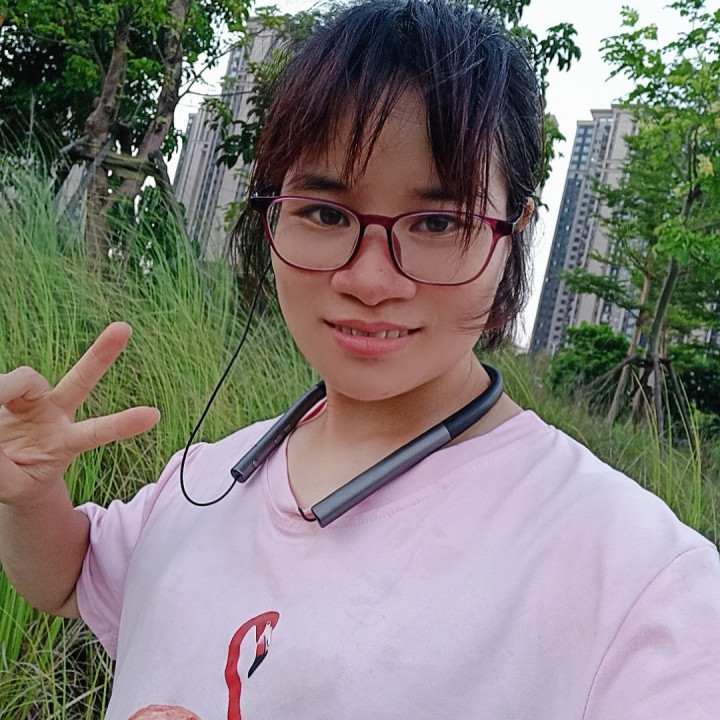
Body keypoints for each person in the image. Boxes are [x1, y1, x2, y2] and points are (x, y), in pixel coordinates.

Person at [1, 1, 719, 718]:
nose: (370, 280)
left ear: (514, 232)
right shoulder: (208, 477)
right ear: (271, 211)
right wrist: (31, 496)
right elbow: (71, 581)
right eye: (326, 213)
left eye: (437, 222)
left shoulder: (642, 580)